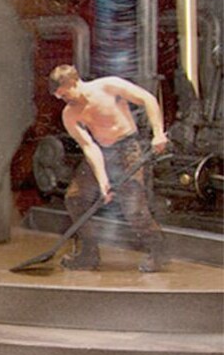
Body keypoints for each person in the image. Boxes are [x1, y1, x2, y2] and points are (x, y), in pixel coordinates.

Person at [48, 64, 169, 272]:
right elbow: (89, 146)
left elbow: (148, 99)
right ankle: (88, 254)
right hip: (101, 152)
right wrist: (103, 180)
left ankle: (158, 252)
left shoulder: (108, 86)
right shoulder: (69, 114)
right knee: (75, 198)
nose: (64, 100)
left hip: (127, 148)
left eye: (65, 94)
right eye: (60, 97)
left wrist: (158, 133)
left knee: (133, 209)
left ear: (74, 82)